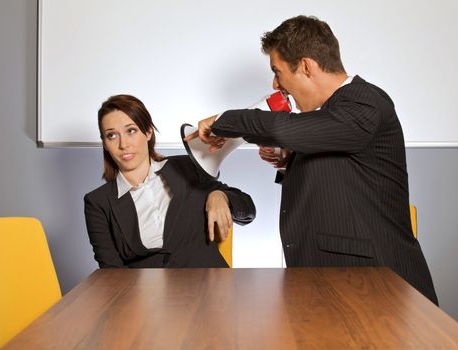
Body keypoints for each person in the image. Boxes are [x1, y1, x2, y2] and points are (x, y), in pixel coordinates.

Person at [186, 15, 438, 304]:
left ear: (306, 66)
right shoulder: (333, 113)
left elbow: (284, 127)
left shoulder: (364, 101)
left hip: (379, 291)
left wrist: (223, 121)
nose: (276, 83)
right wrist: (291, 159)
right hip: (338, 287)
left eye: (278, 72)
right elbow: (341, 170)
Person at [84, 94, 256, 268]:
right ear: (105, 143)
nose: (123, 144)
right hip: (143, 293)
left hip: (208, 287)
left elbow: (248, 211)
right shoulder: (98, 203)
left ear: (148, 131)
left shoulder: (187, 168)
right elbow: (111, 273)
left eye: (131, 131)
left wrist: (221, 196)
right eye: (112, 135)